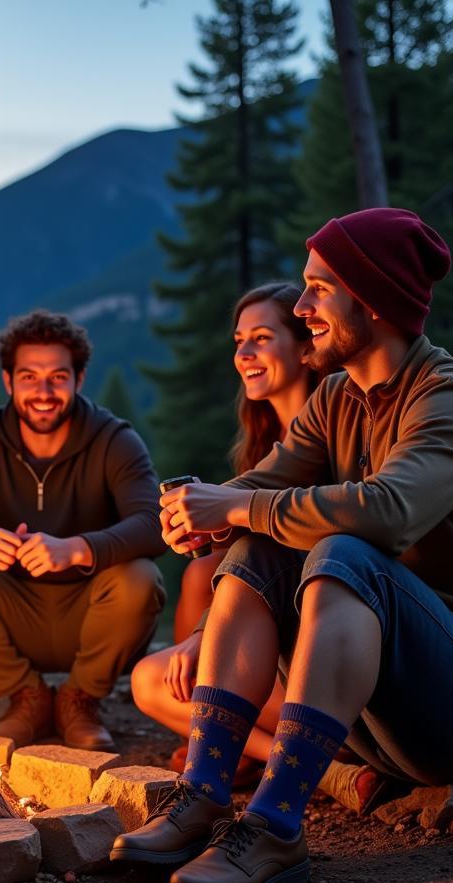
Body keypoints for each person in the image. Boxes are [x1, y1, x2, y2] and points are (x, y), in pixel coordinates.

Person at [111, 208, 453, 883]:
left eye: (318, 289)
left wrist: (233, 506)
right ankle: (206, 795)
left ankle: (275, 826)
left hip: (449, 700)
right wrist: (202, 509)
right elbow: (263, 486)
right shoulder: (336, 396)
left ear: (374, 301)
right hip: (375, 718)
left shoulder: (446, 399)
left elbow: (388, 513)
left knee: (344, 551)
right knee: (256, 545)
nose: (302, 308)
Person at [0, 309, 166, 752]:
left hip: (90, 609)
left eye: (57, 377)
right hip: (17, 611)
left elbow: (152, 526)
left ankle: (79, 701)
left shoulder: (114, 439)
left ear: (79, 379)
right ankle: (27, 699)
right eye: (30, 377)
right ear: (9, 381)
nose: (44, 392)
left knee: (141, 579)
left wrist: (79, 548)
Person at [130, 282, 316, 782]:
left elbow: (289, 558)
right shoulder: (264, 444)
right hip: (270, 639)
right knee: (201, 575)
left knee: (150, 680)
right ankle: (238, 748)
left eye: (260, 337)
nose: (245, 353)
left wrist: (201, 637)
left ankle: (293, 764)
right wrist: (212, 533)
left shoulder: (326, 436)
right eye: (239, 341)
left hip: (313, 655)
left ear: (305, 346)